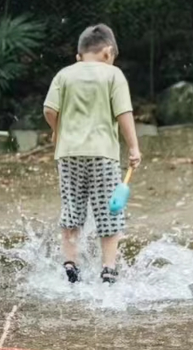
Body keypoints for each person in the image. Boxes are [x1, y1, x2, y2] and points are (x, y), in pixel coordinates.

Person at [42, 24, 141, 285]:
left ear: (79, 56)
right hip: (102, 155)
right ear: (108, 52)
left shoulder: (64, 74)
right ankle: (108, 268)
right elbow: (123, 114)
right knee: (109, 209)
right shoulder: (113, 75)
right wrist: (133, 147)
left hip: (69, 154)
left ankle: (70, 264)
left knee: (72, 208)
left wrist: (58, 131)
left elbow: (49, 110)